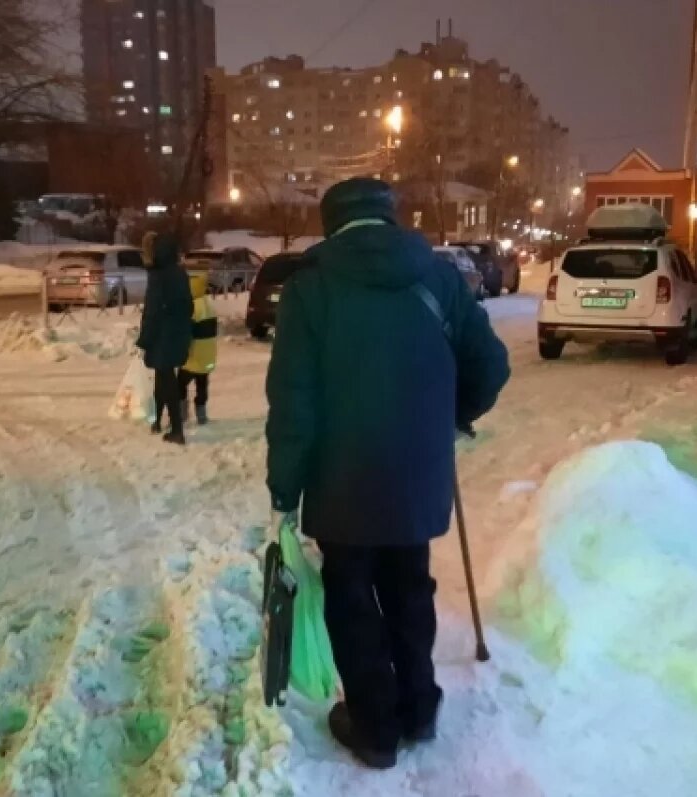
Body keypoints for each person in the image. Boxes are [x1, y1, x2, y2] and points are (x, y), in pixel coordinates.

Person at [265, 178, 510, 770]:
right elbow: (490, 366)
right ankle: (419, 708)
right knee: (408, 583)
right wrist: (453, 417)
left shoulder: (310, 289)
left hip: (340, 476)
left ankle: (375, 726)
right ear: (389, 219)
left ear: (331, 225)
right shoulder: (441, 279)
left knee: (351, 595)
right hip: (416, 473)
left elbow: (293, 400)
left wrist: (284, 489)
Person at [137, 231, 193, 446]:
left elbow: (152, 311)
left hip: (163, 334)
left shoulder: (158, 275)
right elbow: (188, 305)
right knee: (164, 377)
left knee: (166, 379)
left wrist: (145, 339)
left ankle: (176, 429)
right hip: (177, 331)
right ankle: (159, 421)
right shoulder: (179, 272)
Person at [179, 271, 218, 426]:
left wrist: (182, 351)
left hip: (194, 355)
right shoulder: (208, 305)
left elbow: (188, 333)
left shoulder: (192, 307)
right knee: (202, 384)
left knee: (180, 384)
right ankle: (201, 415)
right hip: (208, 355)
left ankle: (182, 414)